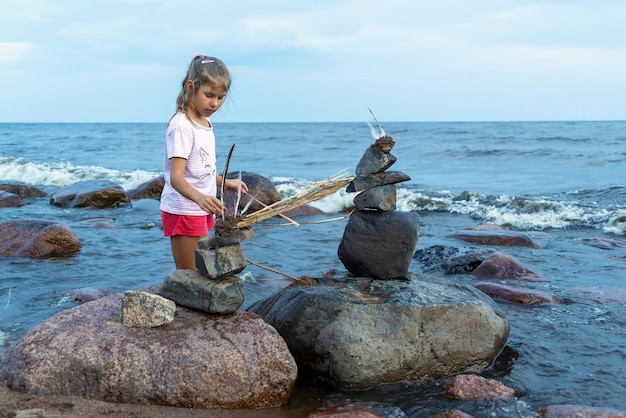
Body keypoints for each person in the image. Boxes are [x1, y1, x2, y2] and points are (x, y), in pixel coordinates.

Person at [160, 55, 248, 270]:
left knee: (203, 271)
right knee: (188, 274)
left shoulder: (204, 123)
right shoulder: (182, 126)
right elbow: (176, 177)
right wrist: (200, 199)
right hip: (184, 210)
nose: (215, 103)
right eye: (209, 95)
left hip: (199, 208)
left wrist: (225, 182)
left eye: (221, 97)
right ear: (191, 87)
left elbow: (201, 170)